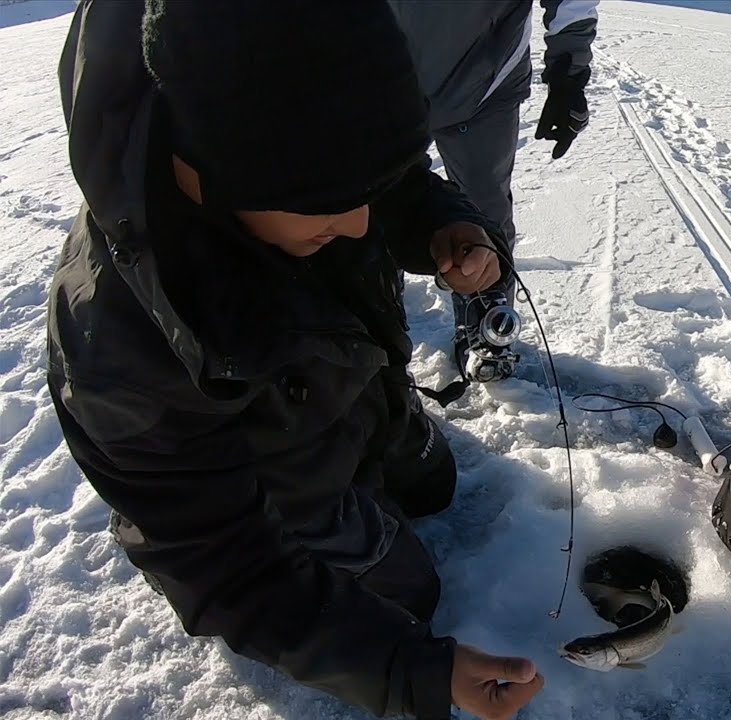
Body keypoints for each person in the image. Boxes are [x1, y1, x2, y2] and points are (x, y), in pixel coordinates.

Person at [46, 2, 542, 719]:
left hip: (362, 394)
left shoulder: (311, 154)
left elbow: (385, 180)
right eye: (330, 208)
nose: (361, 227)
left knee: (435, 487)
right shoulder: (123, 356)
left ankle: (382, 460)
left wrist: (444, 225)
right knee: (410, 598)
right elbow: (220, 562)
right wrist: (406, 669)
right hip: (276, 490)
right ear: (203, 172)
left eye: (365, 197)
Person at [388, 0, 599, 382]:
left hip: (484, 78)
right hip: (366, 70)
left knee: (481, 214)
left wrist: (569, 72)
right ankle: (367, 332)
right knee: (362, 202)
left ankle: (488, 324)